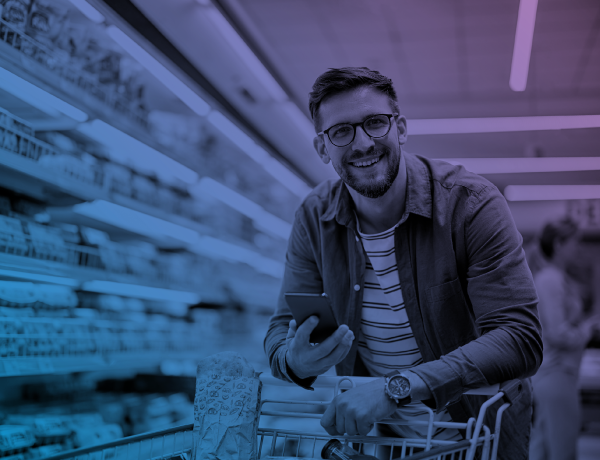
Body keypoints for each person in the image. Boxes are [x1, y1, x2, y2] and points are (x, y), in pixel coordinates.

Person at [263, 67, 543, 459]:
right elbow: (280, 331)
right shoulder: (315, 217)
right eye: (341, 132)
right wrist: (294, 359)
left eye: (375, 123)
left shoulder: (471, 205)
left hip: (478, 433)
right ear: (323, 148)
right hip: (384, 440)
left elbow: (520, 338)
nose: (362, 143)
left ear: (401, 128)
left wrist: (399, 386)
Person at [529, 220, 600, 460]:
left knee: (543, 446)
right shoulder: (550, 279)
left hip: (555, 373)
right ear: (559, 244)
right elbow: (557, 333)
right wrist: (588, 329)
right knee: (563, 450)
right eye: (574, 242)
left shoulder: (556, 277)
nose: (578, 248)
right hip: (557, 372)